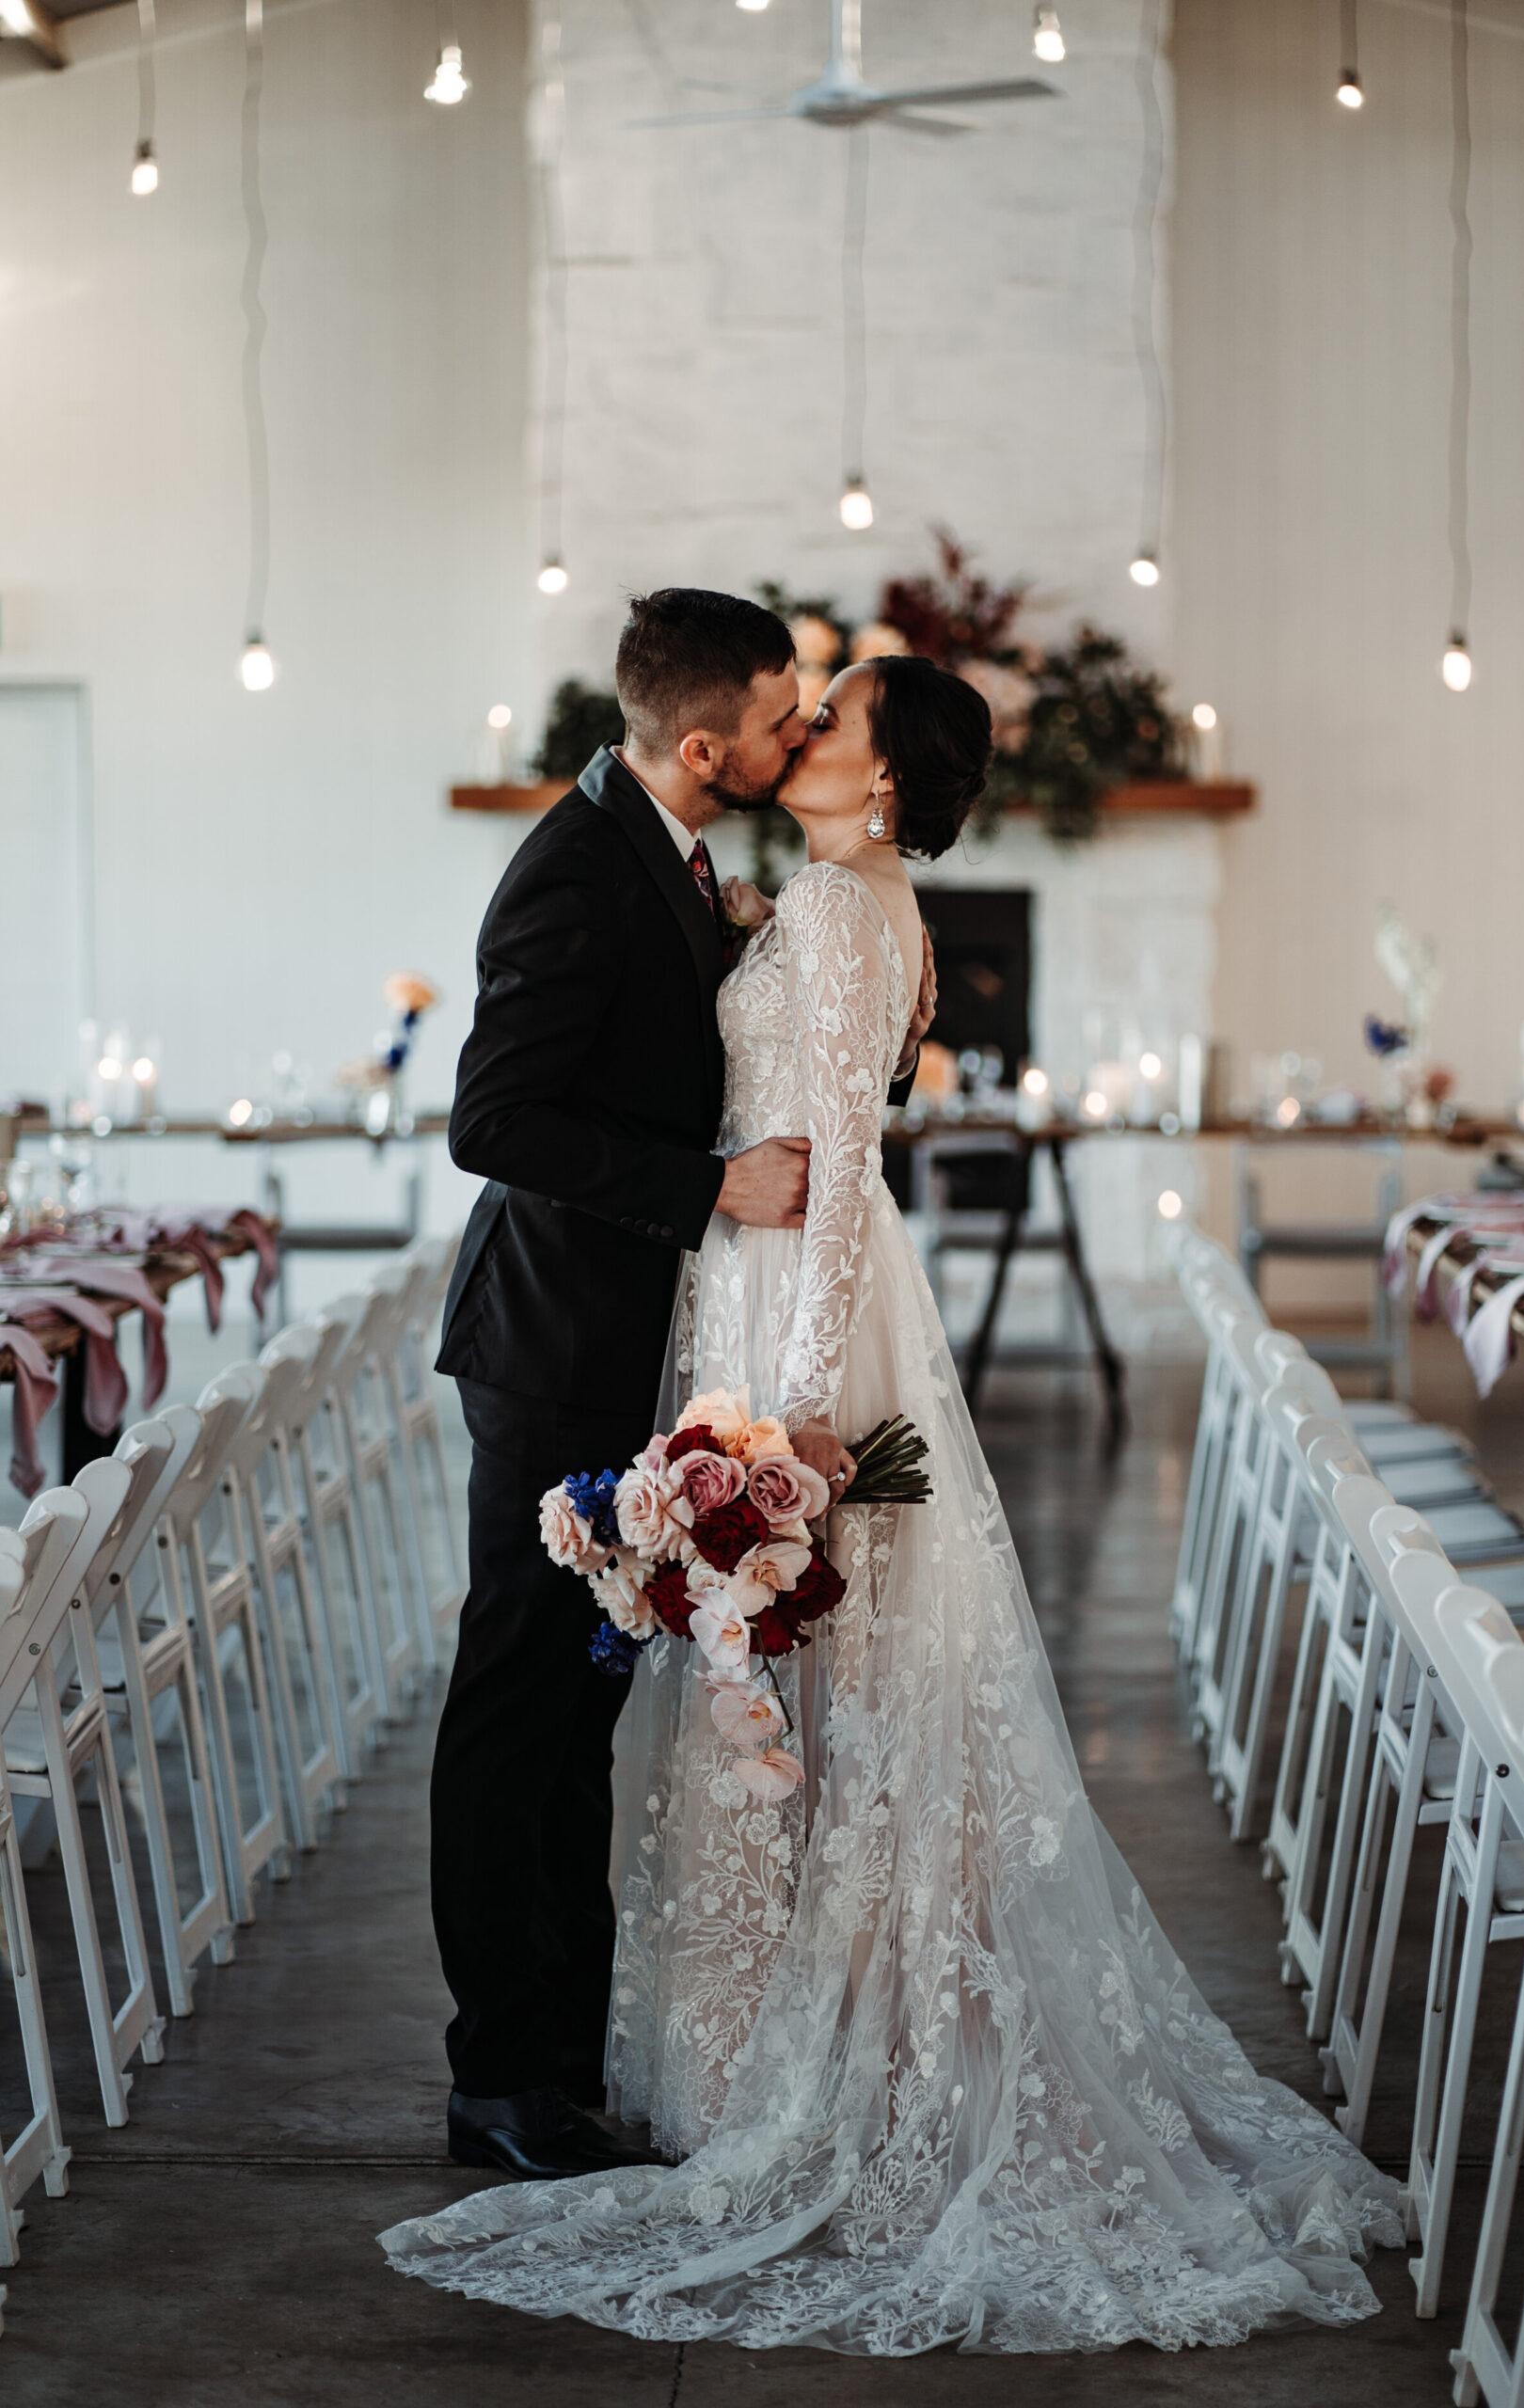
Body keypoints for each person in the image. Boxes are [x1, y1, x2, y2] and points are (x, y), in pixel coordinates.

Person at [387, 652, 1403, 2355]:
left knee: (817, 1690)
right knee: (709, 1688)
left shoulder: (851, 915)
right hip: (723, 1298)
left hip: (795, 1314)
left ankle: (808, 2055)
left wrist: (792, 1415)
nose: (803, 729)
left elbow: (844, 1165)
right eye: (793, 707)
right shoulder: (808, 893)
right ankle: (691, 2049)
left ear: (879, 769)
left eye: (831, 713)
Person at [428, 592, 934, 2185]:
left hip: (643, 1341)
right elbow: (492, 1122)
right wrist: (708, 1187)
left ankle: (562, 2059)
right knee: (521, 1701)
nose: (800, 735)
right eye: (786, 717)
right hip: (554, 1346)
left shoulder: (685, 851)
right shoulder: (574, 871)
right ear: (706, 743)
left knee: (576, 1705)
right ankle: (503, 2077)